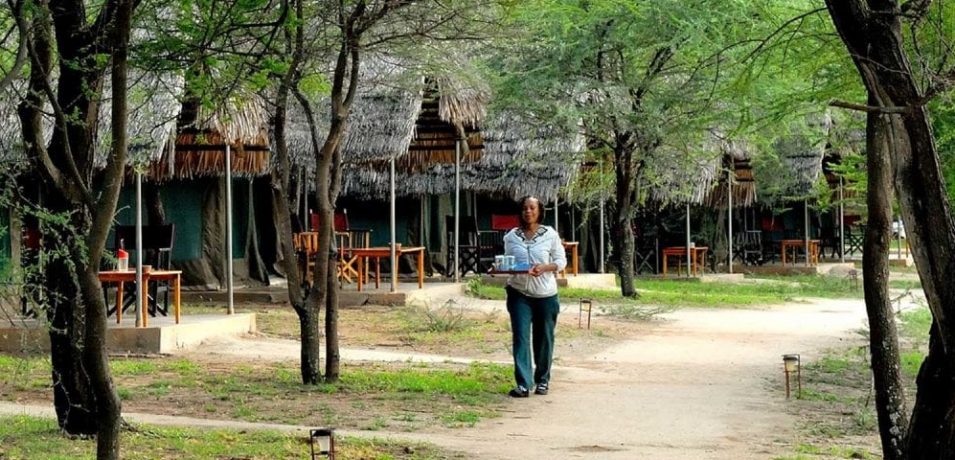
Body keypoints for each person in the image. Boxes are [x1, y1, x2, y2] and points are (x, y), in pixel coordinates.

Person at [503, 196, 567, 397]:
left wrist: (545, 267)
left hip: (545, 294)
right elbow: (508, 261)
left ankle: (542, 379)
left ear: (539, 211)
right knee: (520, 337)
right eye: (524, 208)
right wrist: (503, 269)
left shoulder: (550, 234)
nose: (527, 212)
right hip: (519, 293)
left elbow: (561, 260)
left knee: (544, 338)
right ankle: (523, 383)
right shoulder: (511, 236)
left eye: (532, 208)